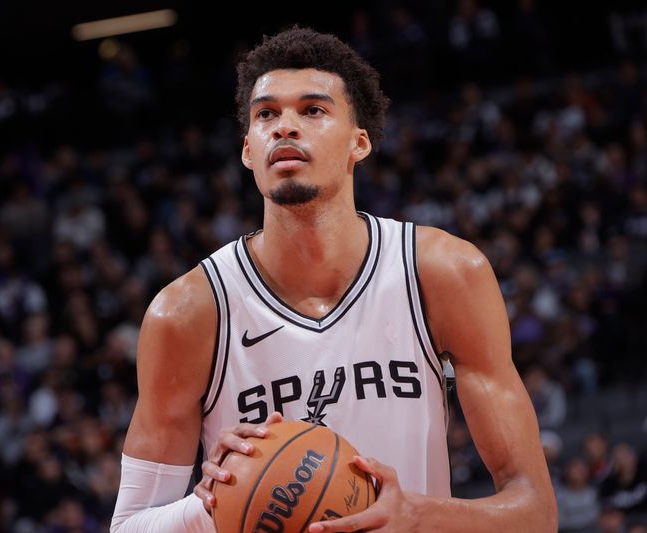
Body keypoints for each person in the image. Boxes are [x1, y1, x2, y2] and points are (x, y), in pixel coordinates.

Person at [110, 26, 556, 532]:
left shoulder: (441, 273)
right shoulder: (187, 314)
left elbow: (535, 512)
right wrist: (210, 509)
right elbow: (129, 526)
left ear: (359, 142)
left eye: (313, 110)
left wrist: (416, 516)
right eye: (266, 115)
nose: (285, 127)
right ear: (248, 152)